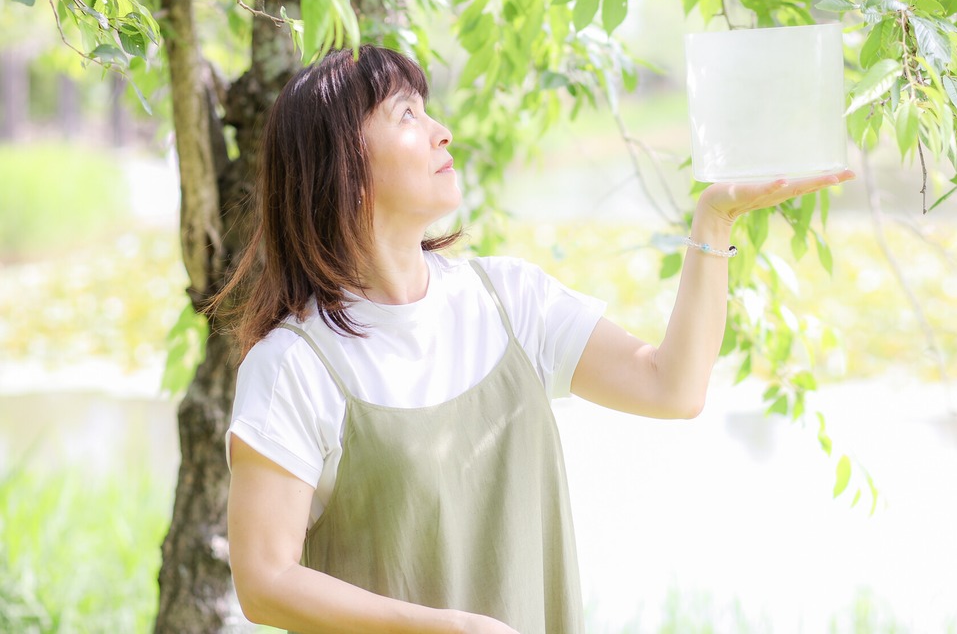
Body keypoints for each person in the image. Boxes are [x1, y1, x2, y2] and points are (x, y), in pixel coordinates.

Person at [222, 45, 854, 634]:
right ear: (342, 166)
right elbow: (265, 581)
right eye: (407, 114)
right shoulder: (294, 366)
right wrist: (446, 628)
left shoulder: (508, 301)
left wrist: (715, 220)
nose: (442, 131)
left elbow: (673, 387)